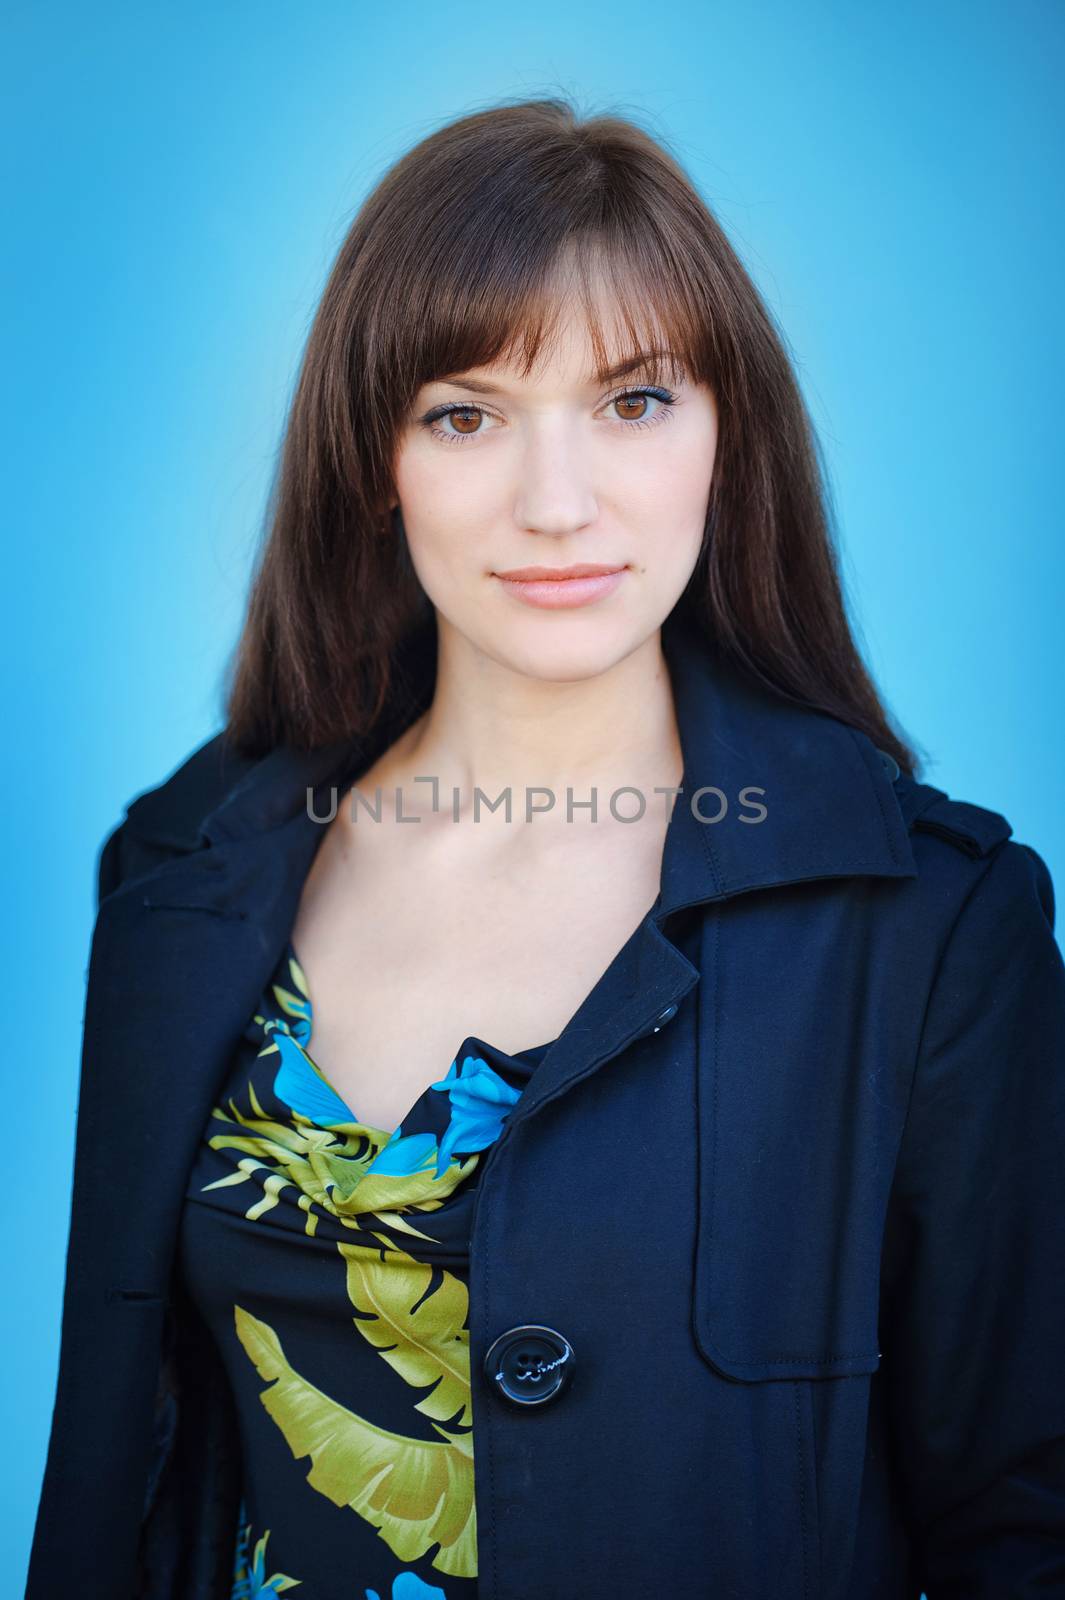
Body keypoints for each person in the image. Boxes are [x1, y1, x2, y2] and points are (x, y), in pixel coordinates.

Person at [26, 96, 1065, 1600]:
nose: (558, 503)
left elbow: (1023, 1526)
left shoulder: (928, 929)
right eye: (465, 414)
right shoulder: (183, 872)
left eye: (634, 401)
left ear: (727, 438)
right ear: (375, 461)